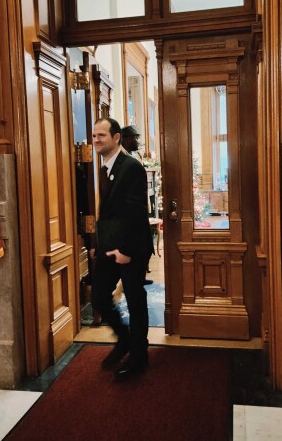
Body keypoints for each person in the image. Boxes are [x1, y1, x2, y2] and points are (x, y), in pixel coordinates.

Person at [91, 117, 153, 380]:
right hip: (109, 246)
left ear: (116, 138)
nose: (95, 140)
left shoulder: (131, 167)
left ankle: (139, 355)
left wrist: (126, 250)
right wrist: (99, 245)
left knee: (135, 300)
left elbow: (136, 213)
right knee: (99, 297)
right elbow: (108, 213)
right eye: (94, 136)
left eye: (101, 135)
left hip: (132, 248)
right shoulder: (103, 167)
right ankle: (125, 340)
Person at [120, 125, 155, 285]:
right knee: (138, 248)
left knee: (145, 248)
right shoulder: (122, 158)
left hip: (139, 209)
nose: (138, 141)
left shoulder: (134, 156)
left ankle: (140, 277)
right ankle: (134, 281)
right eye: (135, 138)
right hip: (130, 213)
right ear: (126, 139)